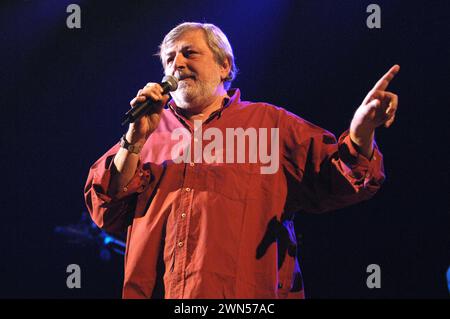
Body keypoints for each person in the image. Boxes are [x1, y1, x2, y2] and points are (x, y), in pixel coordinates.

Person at [84, 22, 399, 299]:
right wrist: (134, 140)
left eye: (189, 53)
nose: (176, 64)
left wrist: (361, 132)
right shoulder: (149, 131)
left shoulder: (269, 124)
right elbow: (106, 205)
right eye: (169, 58)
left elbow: (342, 175)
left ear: (224, 66)